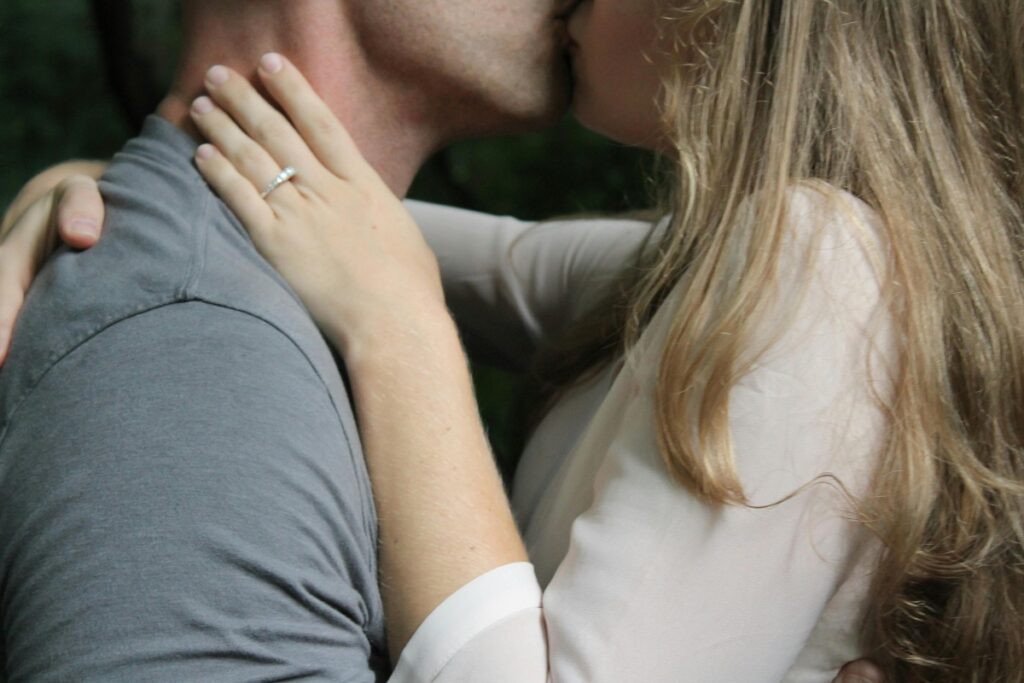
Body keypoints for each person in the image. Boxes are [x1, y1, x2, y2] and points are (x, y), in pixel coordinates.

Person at [5, 2, 1019, 683]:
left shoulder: (819, 258)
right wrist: (120, 188)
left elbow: (384, 270)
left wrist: (400, 333)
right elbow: (366, 225)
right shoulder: (723, 267)